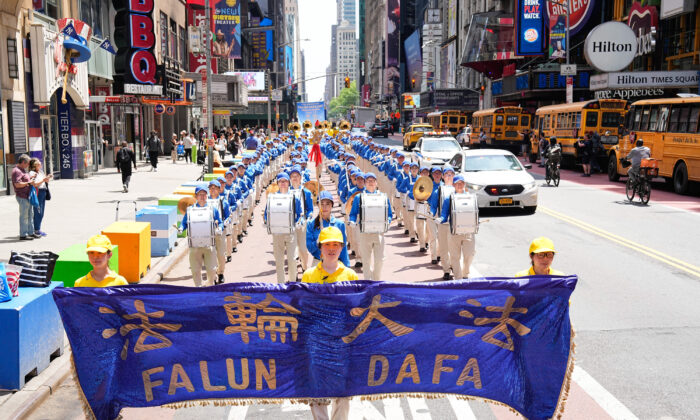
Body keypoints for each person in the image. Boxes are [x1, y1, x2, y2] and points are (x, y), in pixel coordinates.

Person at [301, 225, 356, 420]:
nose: (331, 248)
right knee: (317, 390)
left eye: (335, 244)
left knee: (343, 391)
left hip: (341, 342)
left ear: (341, 248)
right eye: (327, 244)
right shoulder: (308, 276)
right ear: (320, 248)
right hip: (316, 342)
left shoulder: (350, 276)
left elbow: (355, 310)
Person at [349, 172, 392, 281]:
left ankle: (376, 280)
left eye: (373, 181)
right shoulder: (359, 197)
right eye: (368, 181)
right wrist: (352, 221)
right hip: (364, 233)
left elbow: (389, 214)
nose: (371, 183)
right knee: (366, 260)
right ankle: (368, 281)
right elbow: (353, 213)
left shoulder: (383, 197)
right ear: (365, 183)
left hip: (379, 233)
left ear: (376, 183)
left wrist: (388, 222)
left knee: (379, 260)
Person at [265, 172, 303, 283]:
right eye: (280, 181)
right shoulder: (272, 198)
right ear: (277, 183)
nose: (283, 183)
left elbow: (299, 213)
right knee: (279, 261)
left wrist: (297, 223)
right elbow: (267, 214)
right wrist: (268, 222)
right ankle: (280, 284)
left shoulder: (294, 197)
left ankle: (292, 283)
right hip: (277, 234)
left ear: (289, 182)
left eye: (285, 181)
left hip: (290, 233)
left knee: (292, 259)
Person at [181, 187, 223, 287]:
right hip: (194, 245)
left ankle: (209, 285)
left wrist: (220, 228)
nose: (202, 196)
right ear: (196, 196)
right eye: (200, 194)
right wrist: (180, 228)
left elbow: (220, 222)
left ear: (207, 196)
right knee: (195, 270)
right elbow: (184, 223)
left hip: (209, 245)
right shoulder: (190, 210)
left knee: (212, 270)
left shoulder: (212, 209)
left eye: (204, 194)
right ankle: (198, 289)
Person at [437, 175, 476, 280]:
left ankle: (465, 273)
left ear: (464, 184)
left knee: (470, 254)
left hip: (468, 232)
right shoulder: (448, 198)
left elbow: (475, 212)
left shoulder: (470, 197)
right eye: (457, 183)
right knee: (455, 257)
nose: (459, 185)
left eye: (461, 183)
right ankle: (459, 279)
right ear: (453, 185)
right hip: (454, 232)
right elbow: (444, 214)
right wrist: (441, 219)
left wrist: (477, 221)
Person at [306, 191, 350, 267]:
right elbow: (310, 248)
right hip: (318, 262)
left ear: (332, 205)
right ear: (318, 205)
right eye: (321, 204)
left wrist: (347, 267)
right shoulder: (311, 224)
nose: (324, 207)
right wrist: (317, 242)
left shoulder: (339, 224)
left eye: (327, 204)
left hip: (336, 263)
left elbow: (343, 249)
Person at [11, 154, 37, 240]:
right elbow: (17, 184)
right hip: (22, 196)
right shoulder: (17, 171)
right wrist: (28, 183)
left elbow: (23, 179)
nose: (28, 166)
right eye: (27, 164)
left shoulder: (22, 170)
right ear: (23, 162)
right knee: (24, 216)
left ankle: (31, 232)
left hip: (27, 196)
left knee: (30, 214)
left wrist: (30, 177)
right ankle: (23, 235)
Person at [28, 158, 52, 237]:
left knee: (41, 212)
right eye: (38, 164)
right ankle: (36, 230)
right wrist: (43, 180)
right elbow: (34, 184)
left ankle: (38, 228)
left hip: (43, 191)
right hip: (38, 192)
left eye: (40, 163)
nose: (40, 165)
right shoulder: (32, 173)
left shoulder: (40, 172)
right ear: (34, 166)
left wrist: (47, 178)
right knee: (38, 211)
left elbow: (45, 181)